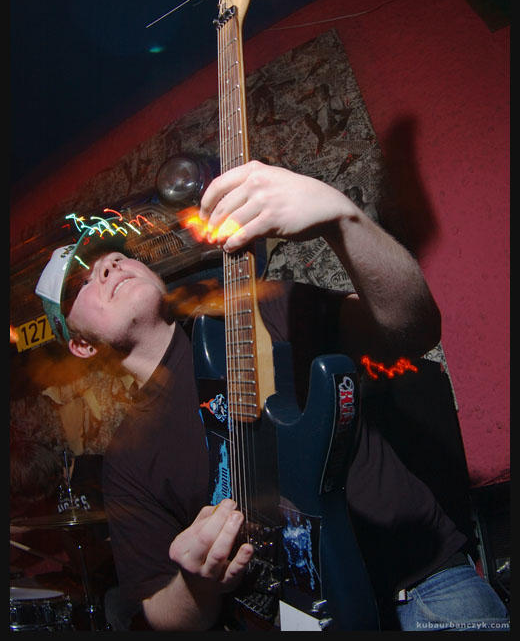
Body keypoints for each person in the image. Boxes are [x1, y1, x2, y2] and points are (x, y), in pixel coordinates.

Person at [34, 160, 509, 631]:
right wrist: (195, 584)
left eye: (114, 254)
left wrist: (342, 219)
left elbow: (414, 330)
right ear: (81, 345)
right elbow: (156, 610)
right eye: (81, 281)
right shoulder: (128, 459)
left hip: (427, 590)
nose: (109, 265)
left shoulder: (254, 310)